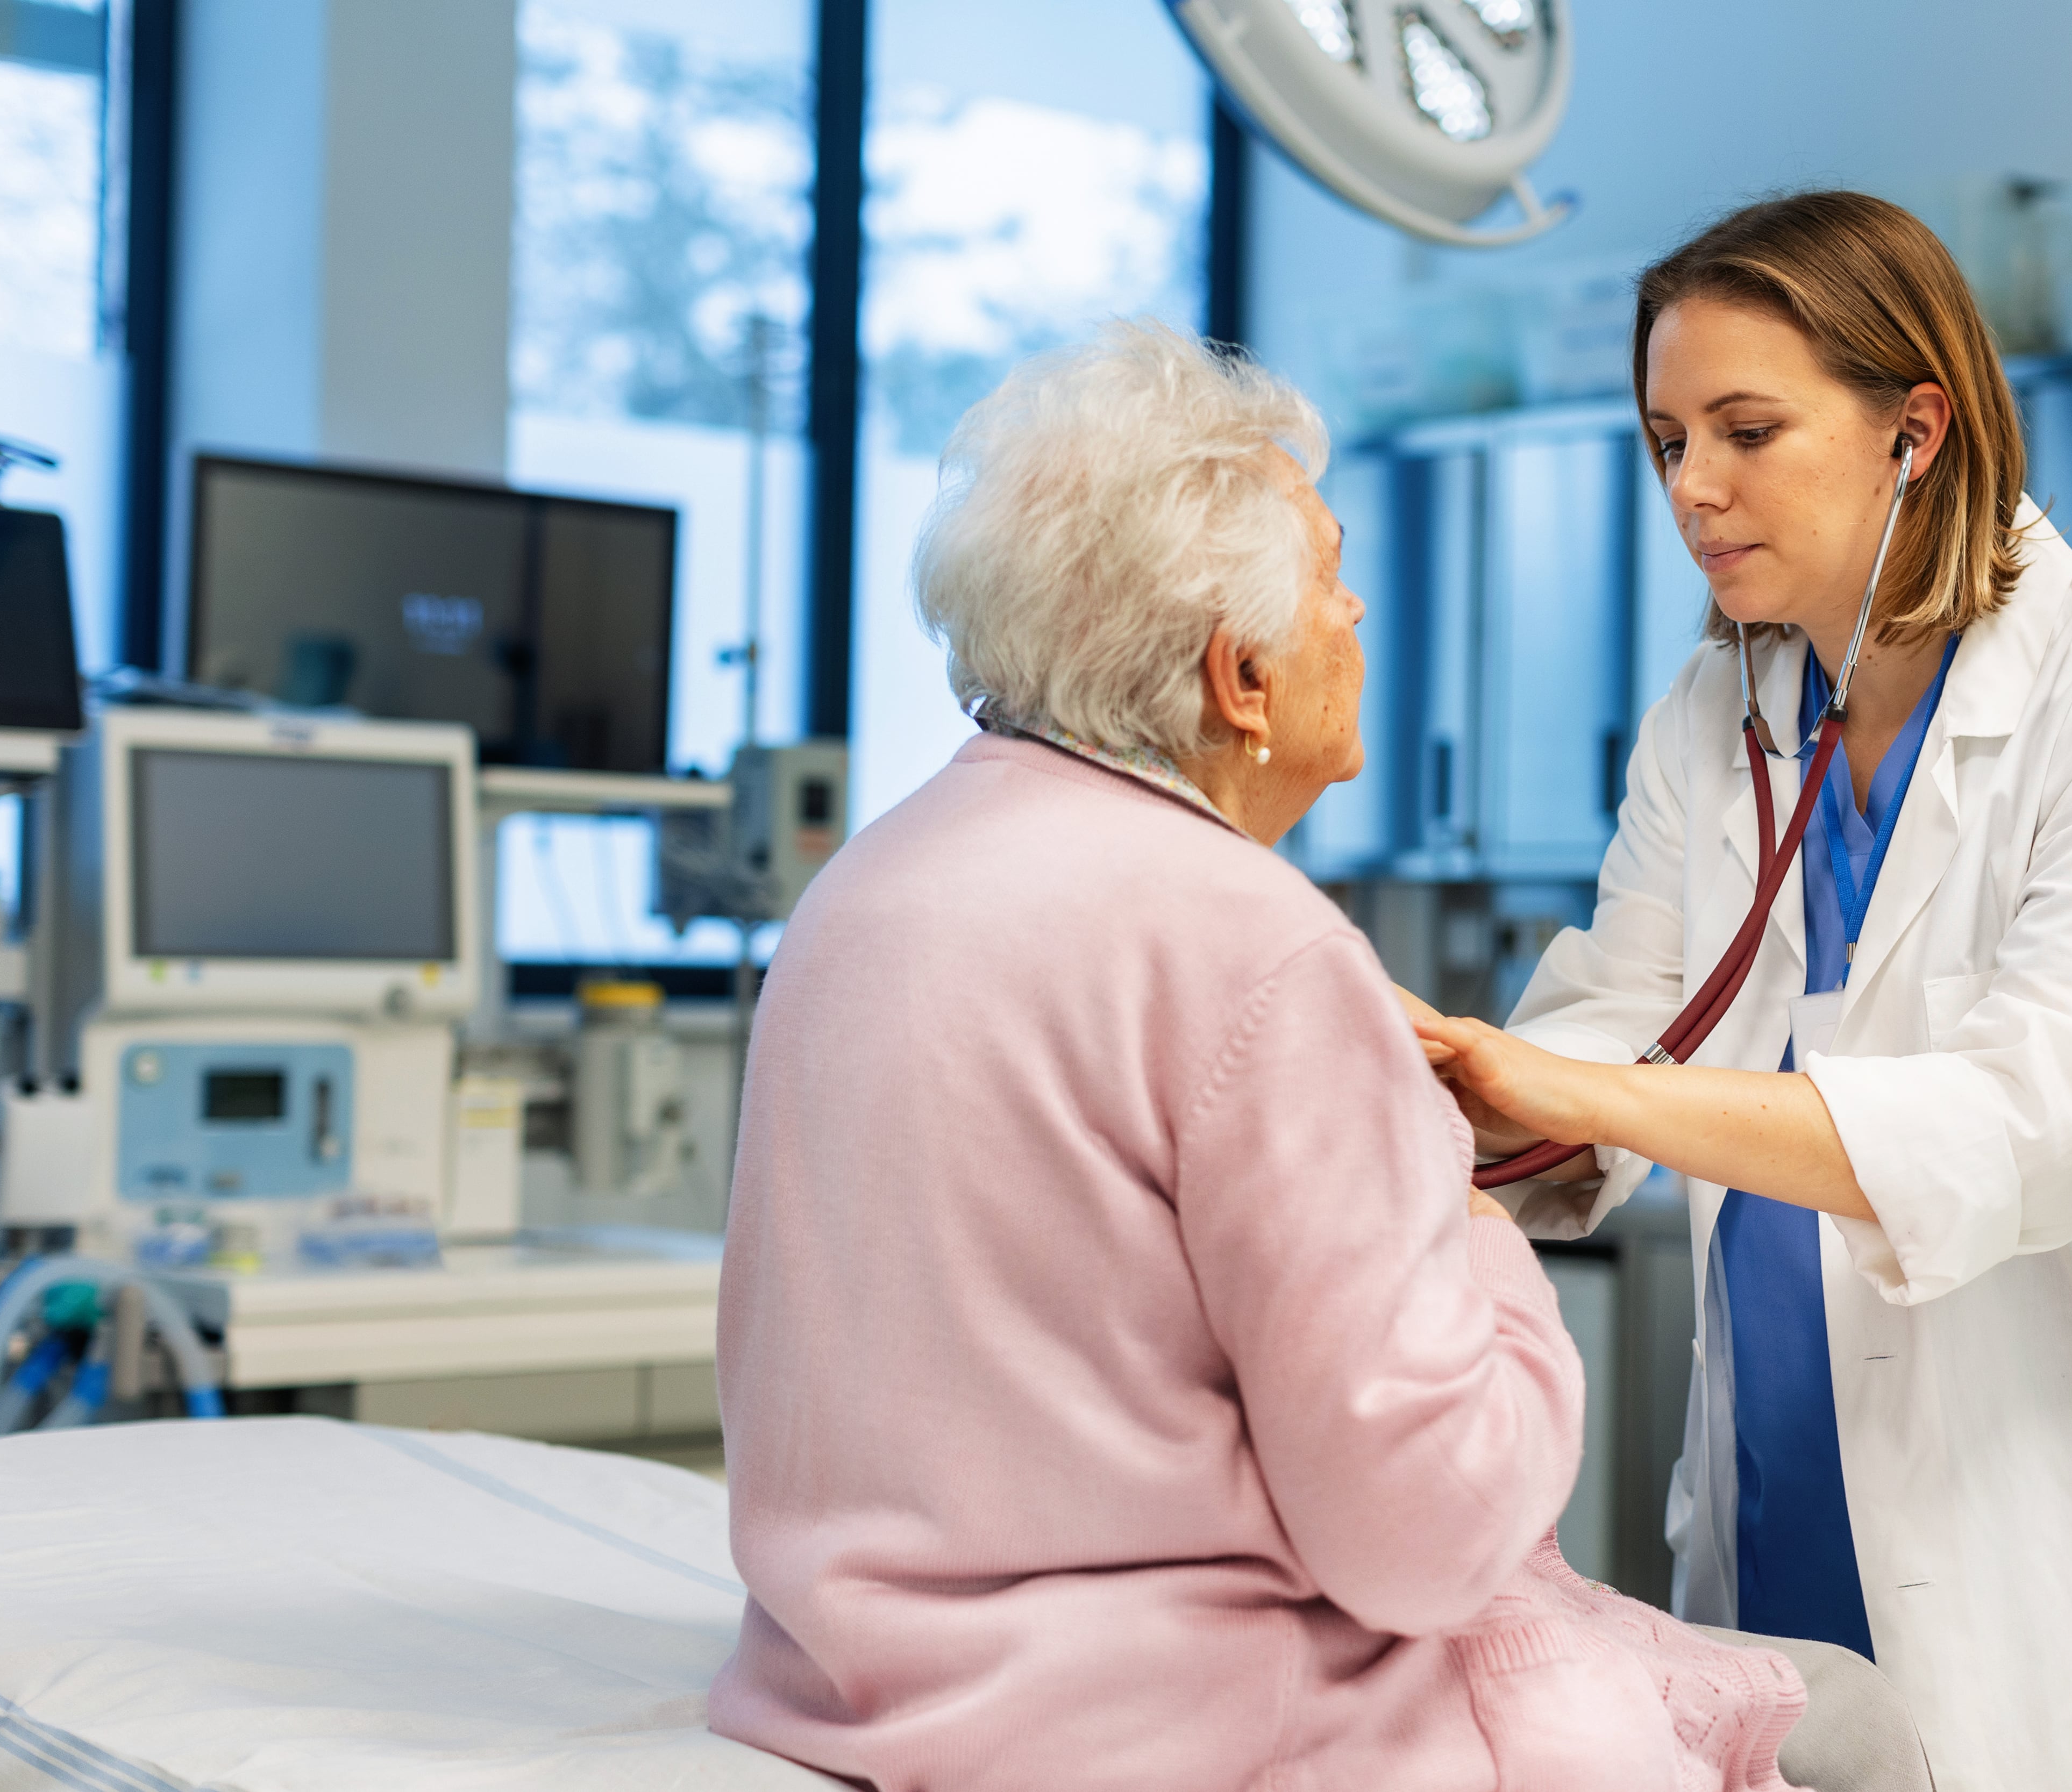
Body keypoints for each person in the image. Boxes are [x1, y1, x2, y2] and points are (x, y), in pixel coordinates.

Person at [708, 320, 1837, 1791]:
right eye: (1327, 577)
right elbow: (1428, 1542)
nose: (1357, 608)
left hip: (859, 1689)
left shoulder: (869, 884)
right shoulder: (1256, 946)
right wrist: (1472, 1227)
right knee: (1867, 1732)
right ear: (1241, 679)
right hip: (1179, 1727)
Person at [1412, 193, 2072, 1792]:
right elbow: (1614, 1018)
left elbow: (2033, 1122)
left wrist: (1571, 1091)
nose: (1694, 487)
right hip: (1789, 1507)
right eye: (1667, 438)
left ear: (1918, 426)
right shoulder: (1717, 715)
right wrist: (1431, 1110)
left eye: (1748, 431)